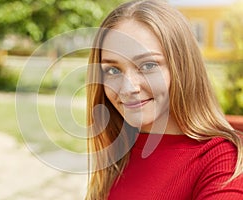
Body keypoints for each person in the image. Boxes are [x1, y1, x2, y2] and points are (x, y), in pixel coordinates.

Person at [85, 0, 243, 199]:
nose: (128, 88)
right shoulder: (119, 151)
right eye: (113, 70)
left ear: (183, 68)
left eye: (148, 65)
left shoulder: (222, 160)